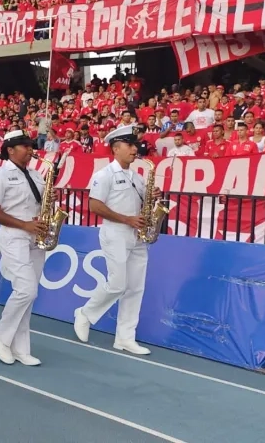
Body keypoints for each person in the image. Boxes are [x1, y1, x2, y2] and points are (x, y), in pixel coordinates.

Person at [73, 124, 161, 356]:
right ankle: (85, 314)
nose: (135, 149)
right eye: (130, 145)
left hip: (137, 235)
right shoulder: (104, 175)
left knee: (135, 288)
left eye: (135, 145)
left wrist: (152, 198)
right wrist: (127, 219)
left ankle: (125, 338)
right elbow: (94, 205)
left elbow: (141, 206)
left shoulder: (138, 177)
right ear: (116, 148)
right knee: (118, 284)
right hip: (116, 233)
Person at [0, 130, 49, 366]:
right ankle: (1, 336)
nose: (31, 150)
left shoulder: (36, 174)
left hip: (35, 235)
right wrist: (24, 225)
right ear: (10, 150)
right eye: (25, 146)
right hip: (14, 235)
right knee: (26, 290)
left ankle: (21, 347)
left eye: (31, 146)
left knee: (30, 295)